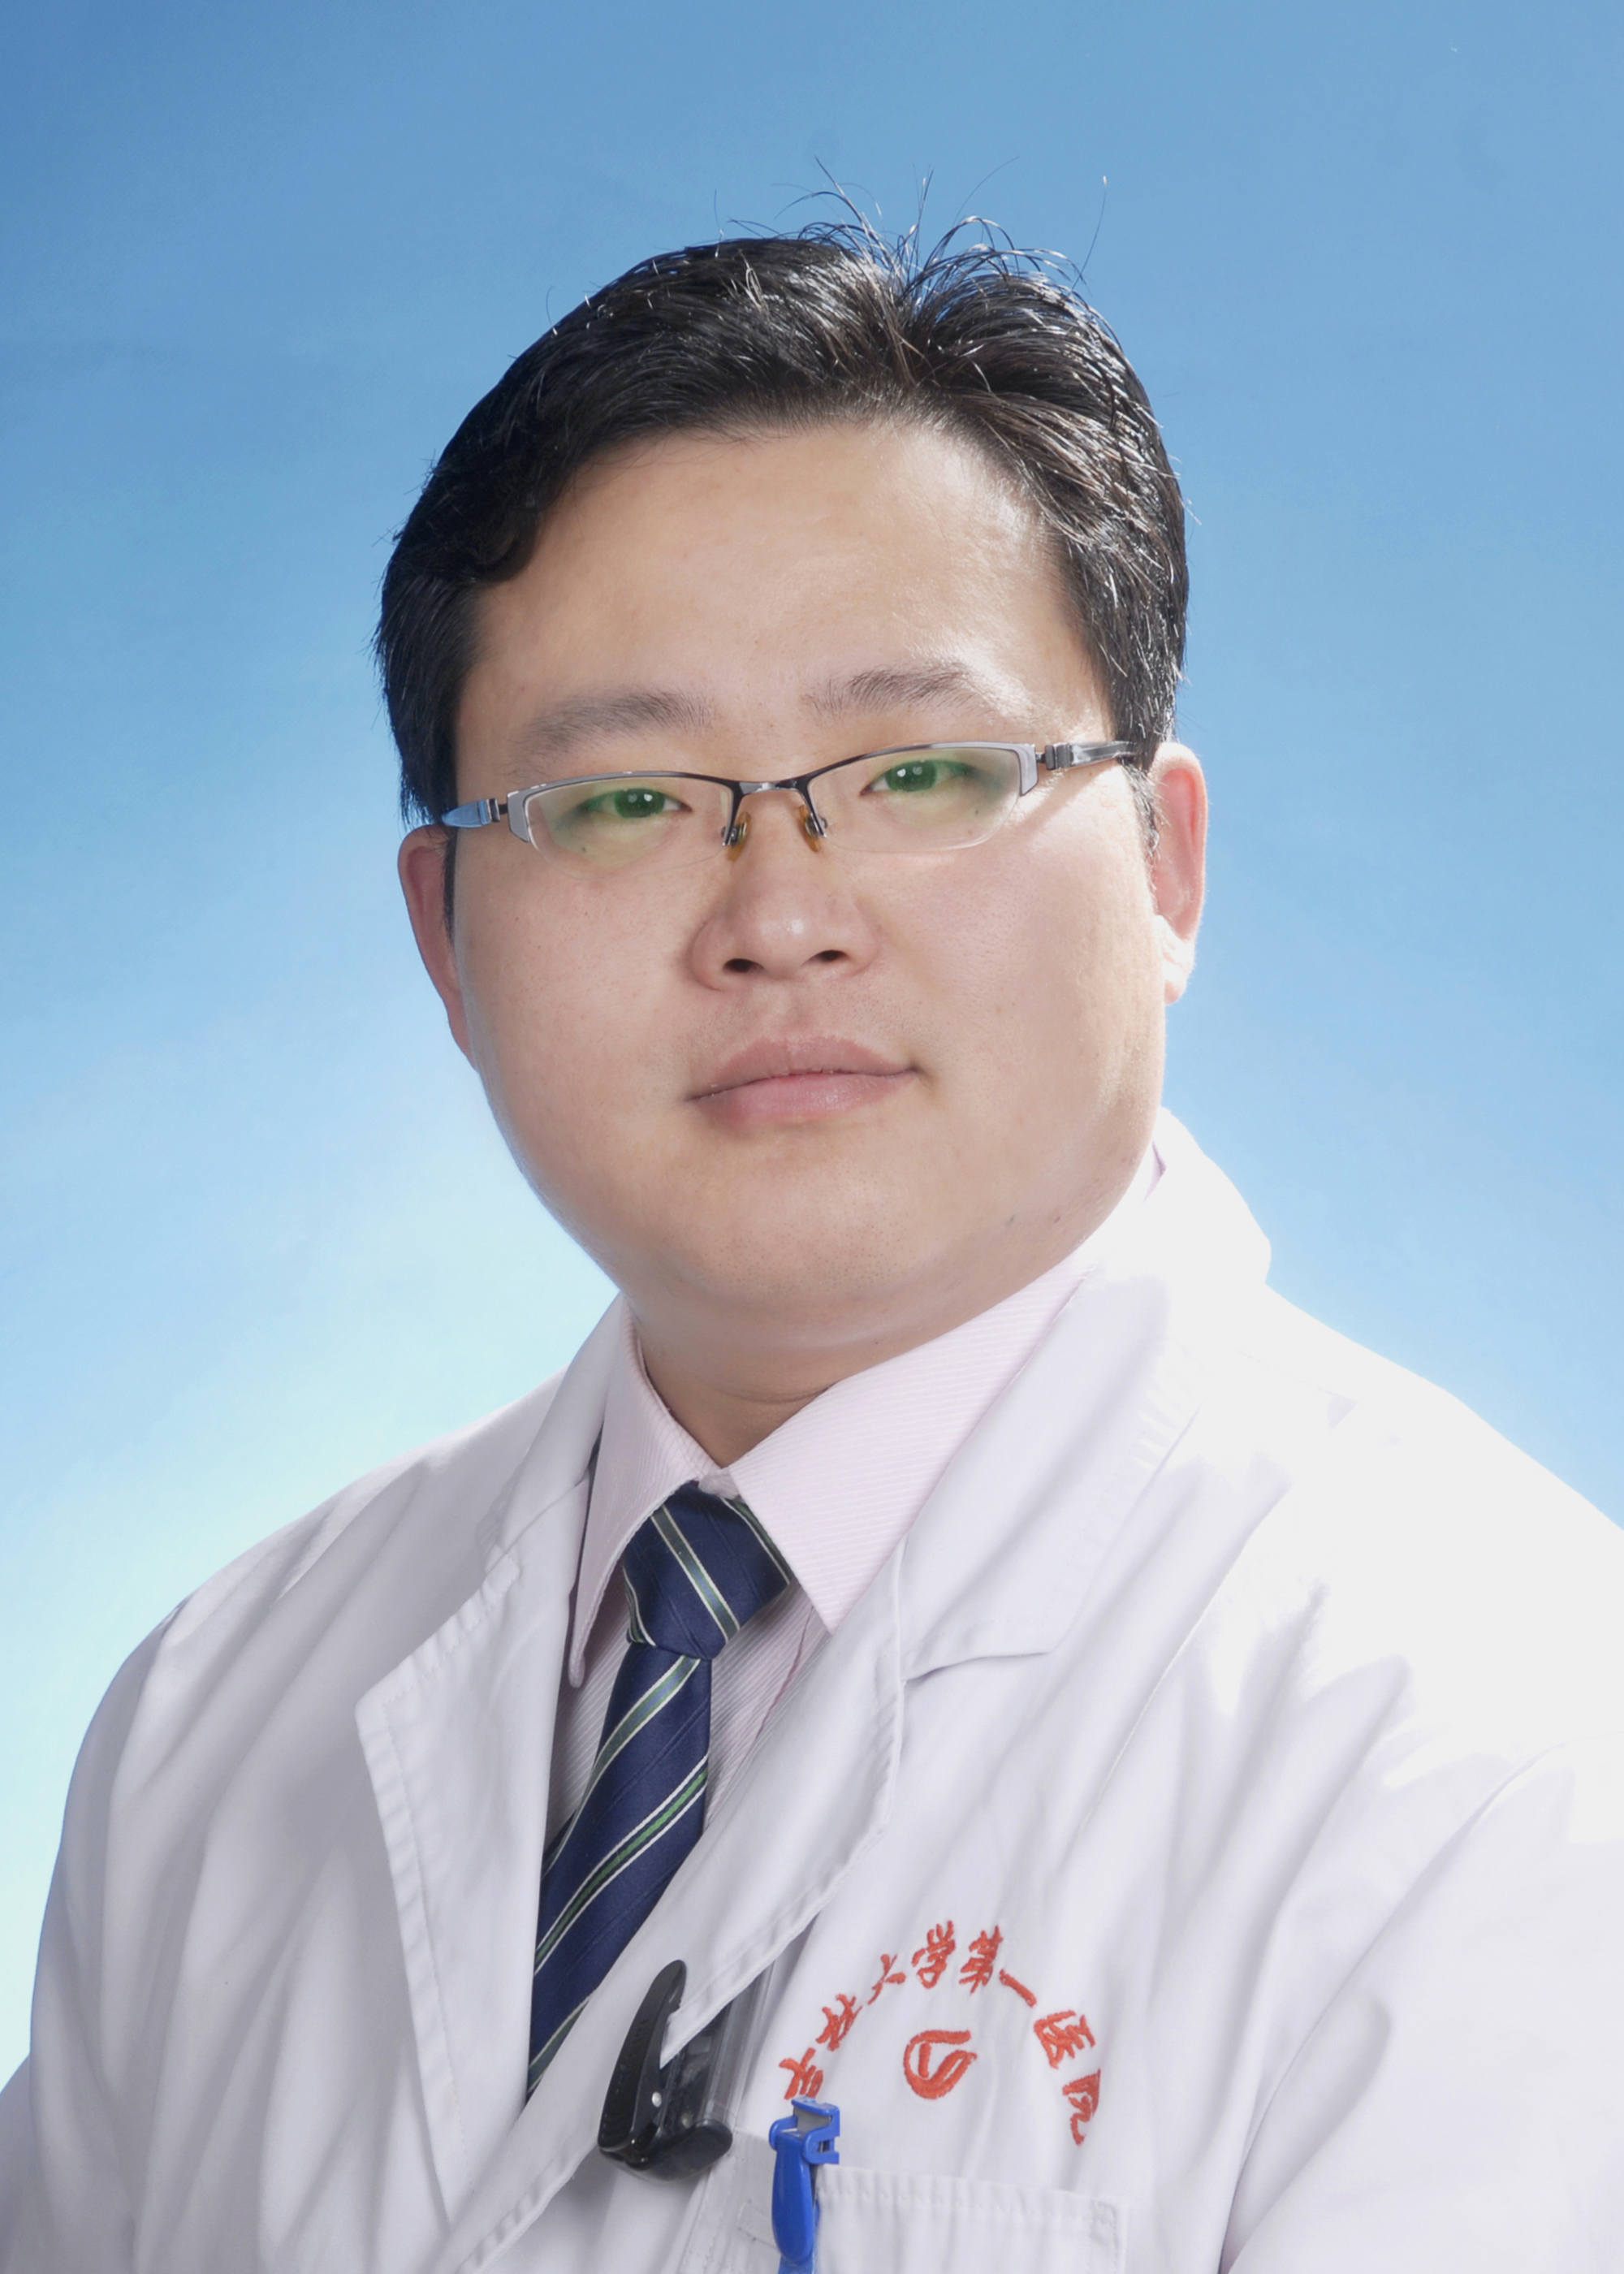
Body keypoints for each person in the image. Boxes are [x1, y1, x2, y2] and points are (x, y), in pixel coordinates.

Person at [2, 225, 1621, 2274]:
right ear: (444, 938)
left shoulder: (1503, 1737)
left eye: (922, 770)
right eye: (621, 801)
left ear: (1165, 866)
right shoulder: (217, 1708)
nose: (778, 915)